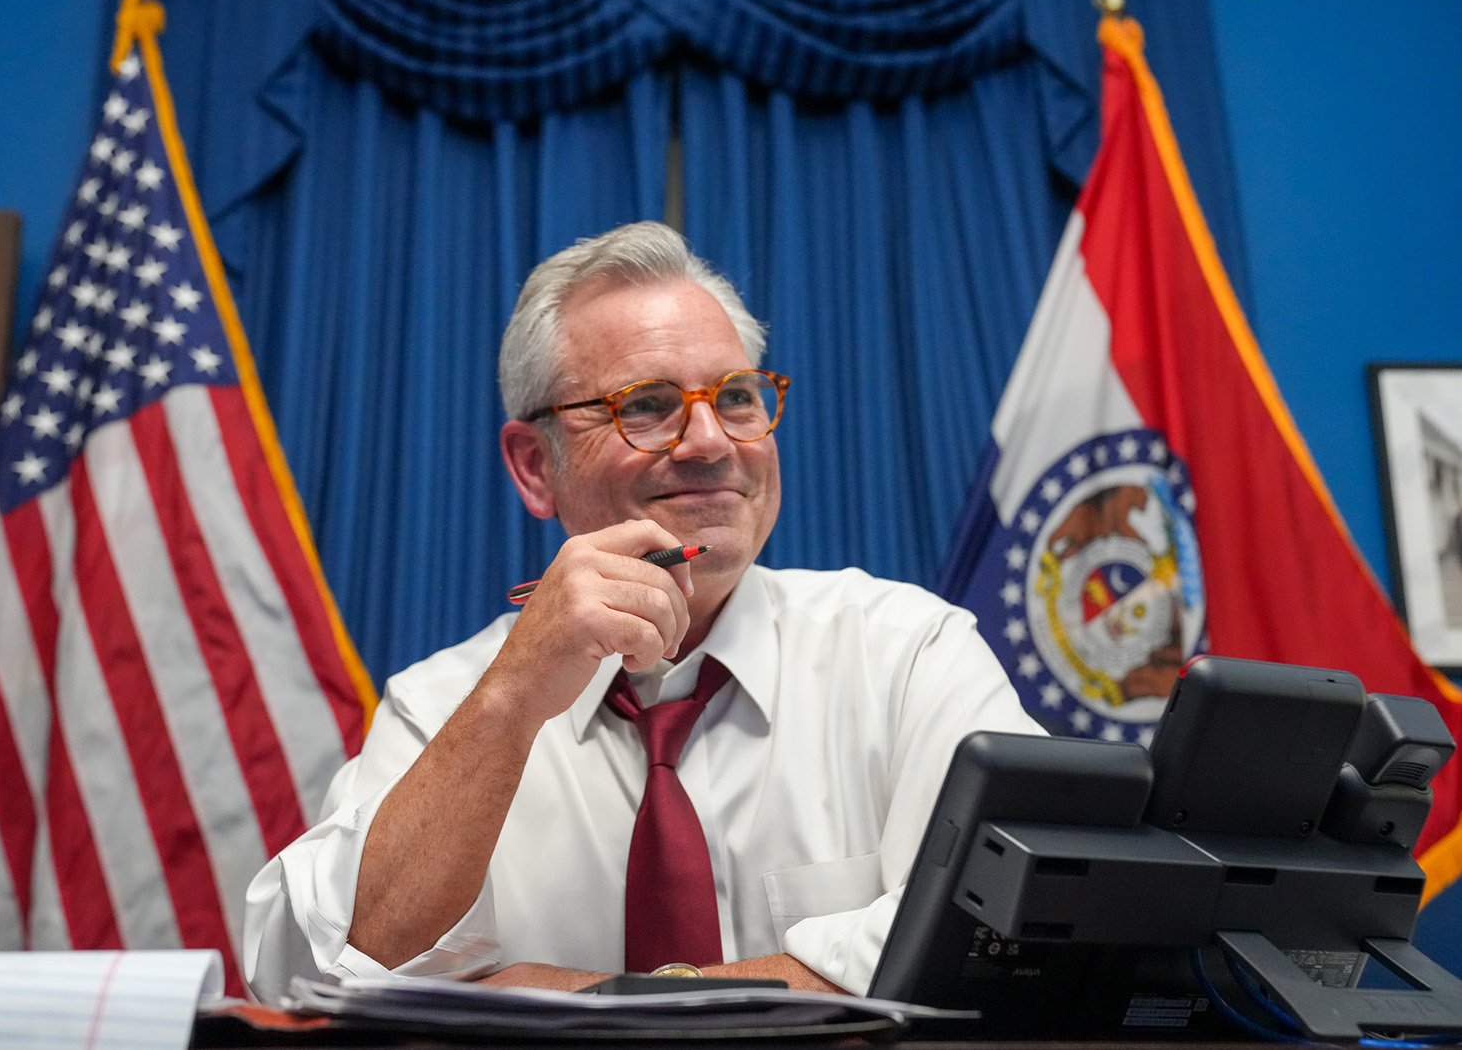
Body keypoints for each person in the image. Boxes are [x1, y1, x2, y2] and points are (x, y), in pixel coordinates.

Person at [242, 221, 1043, 1002]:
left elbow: (1024, 930)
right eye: (649, 405)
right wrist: (510, 702)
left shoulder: (908, 653)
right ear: (535, 466)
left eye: (736, 397)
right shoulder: (446, 703)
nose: (711, 442)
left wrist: (615, 1002)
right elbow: (310, 975)